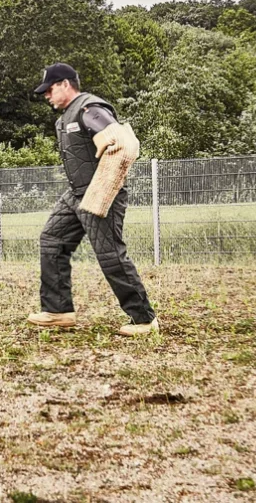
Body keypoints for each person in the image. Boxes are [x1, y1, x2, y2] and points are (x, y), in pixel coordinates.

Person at [27, 63, 158, 337]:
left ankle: (144, 319)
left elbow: (120, 140)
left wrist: (105, 184)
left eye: (49, 90)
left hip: (100, 192)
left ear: (65, 84)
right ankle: (58, 310)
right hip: (74, 194)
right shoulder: (65, 117)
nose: (46, 96)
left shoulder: (89, 108)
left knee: (110, 255)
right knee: (52, 240)